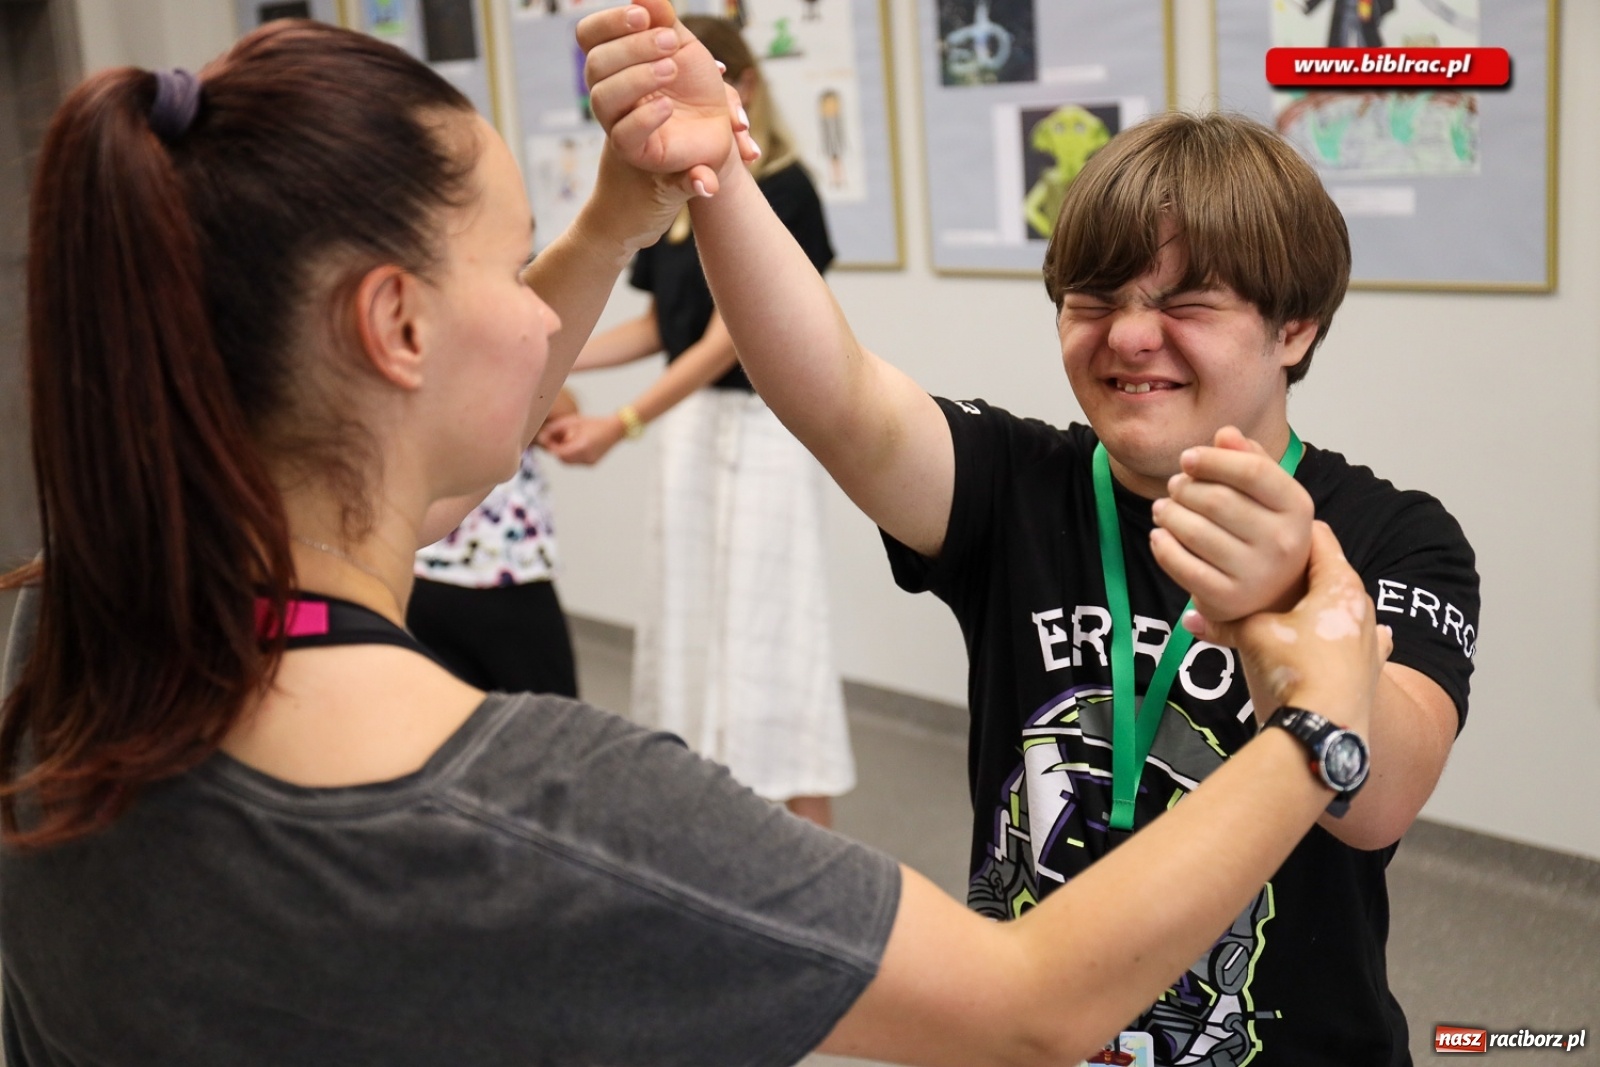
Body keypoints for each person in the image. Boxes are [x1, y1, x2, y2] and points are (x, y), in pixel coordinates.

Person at [1, 11, 1387, 1064]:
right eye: (516, 260)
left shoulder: (69, 635)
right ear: (398, 327)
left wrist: (617, 211)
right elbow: (1029, 1006)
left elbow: (398, 476)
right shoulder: (551, 804)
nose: (552, 316)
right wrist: (1311, 726)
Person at [582, 5, 1479, 1065]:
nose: (1129, 334)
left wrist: (1282, 611)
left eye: (1187, 300)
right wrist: (720, 175)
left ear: (1294, 327)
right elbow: (834, 395)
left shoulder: (1392, 535)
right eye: (1092, 297)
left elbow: (1381, 799)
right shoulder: (1020, 486)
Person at [541, 15, 851, 828]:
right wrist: (549, 353)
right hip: (687, 439)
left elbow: (725, 339)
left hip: (761, 434)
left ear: (741, 86)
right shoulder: (673, 191)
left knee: (769, 653)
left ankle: (813, 871)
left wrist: (624, 424)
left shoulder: (782, 188)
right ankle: (715, 856)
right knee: (690, 643)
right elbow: (661, 324)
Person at [408, 391, 580, 699]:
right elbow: (562, 411)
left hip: (419, 566)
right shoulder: (497, 359)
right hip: (504, 570)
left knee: (453, 722)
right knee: (552, 724)